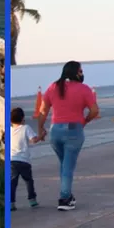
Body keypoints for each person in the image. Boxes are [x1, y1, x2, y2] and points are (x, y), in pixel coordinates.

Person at [37, 61, 99, 211]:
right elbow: (94, 110)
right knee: (68, 167)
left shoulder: (53, 87)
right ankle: (64, 198)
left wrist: (40, 129)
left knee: (65, 164)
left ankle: (68, 195)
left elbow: (43, 110)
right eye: (81, 71)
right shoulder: (84, 89)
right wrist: (84, 121)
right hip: (73, 129)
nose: (82, 74)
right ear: (75, 73)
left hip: (55, 130)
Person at [10, 107, 42, 211]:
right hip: (24, 160)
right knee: (28, 181)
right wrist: (41, 136)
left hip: (12, 160)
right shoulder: (26, 128)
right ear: (23, 119)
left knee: (12, 183)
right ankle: (32, 200)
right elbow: (33, 140)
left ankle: (11, 203)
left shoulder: (8, 130)